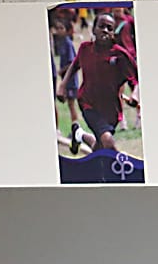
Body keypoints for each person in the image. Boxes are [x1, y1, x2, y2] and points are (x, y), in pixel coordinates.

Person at [56, 11, 137, 156]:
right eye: (101, 26)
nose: (105, 30)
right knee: (108, 142)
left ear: (114, 33)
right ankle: (121, 168)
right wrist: (62, 85)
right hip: (89, 103)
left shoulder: (120, 55)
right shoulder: (85, 49)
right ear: (94, 29)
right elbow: (74, 66)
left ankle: (79, 134)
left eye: (109, 28)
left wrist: (135, 95)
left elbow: (136, 79)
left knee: (100, 148)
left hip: (111, 110)